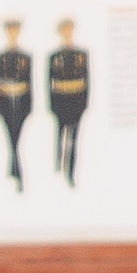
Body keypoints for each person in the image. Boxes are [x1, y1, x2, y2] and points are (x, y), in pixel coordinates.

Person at [47, 20, 89, 184]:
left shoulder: (81, 54)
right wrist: (51, 104)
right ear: (59, 32)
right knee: (60, 134)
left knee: (74, 138)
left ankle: (71, 173)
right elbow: (49, 81)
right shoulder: (54, 56)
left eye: (69, 29)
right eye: (64, 30)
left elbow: (87, 79)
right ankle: (59, 163)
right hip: (60, 99)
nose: (67, 33)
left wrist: (85, 103)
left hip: (77, 99)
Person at [0, 20, 32, 189]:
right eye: (10, 31)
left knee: (16, 134)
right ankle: (17, 170)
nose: (13, 33)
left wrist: (31, 105)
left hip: (22, 100)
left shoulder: (26, 57)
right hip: (5, 100)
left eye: (15, 30)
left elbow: (30, 82)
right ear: (6, 32)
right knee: (11, 133)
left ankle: (13, 166)